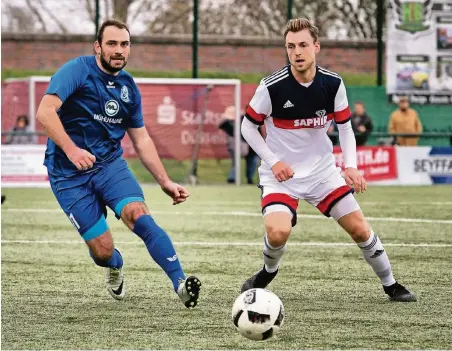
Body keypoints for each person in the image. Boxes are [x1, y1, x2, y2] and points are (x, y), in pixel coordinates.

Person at [240, 18, 416, 302]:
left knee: (360, 228)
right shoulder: (271, 87)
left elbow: (346, 127)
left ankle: (391, 284)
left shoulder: (333, 84)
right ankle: (267, 272)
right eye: (290, 46)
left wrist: (350, 166)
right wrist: (273, 161)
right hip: (281, 177)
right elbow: (247, 126)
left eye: (303, 45)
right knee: (277, 233)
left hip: (323, 173)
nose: (297, 52)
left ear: (316, 47)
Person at [35, 19, 201, 308]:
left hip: (109, 165)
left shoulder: (128, 87)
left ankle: (180, 284)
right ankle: (115, 264)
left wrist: (165, 181)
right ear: (97, 47)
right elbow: (45, 112)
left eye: (124, 44)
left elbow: (141, 138)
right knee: (102, 251)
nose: (118, 50)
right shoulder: (76, 70)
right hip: (67, 174)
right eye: (111, 43)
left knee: (139, 214)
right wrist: (72, 150)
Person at [218, 105, 260, 184]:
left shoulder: (255, 120)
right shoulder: (231, 122)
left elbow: (258, 133)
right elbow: (222, 125)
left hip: (252, 146)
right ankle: (232, 178)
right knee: (236, 162)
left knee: (253, 162)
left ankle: (249, 179)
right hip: (239, 146)